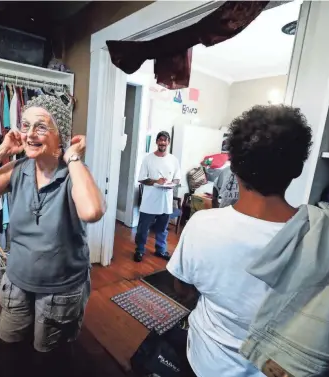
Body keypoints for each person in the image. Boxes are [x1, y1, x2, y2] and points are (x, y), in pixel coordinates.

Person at [0, 95, 105, 376]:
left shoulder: (74, 174)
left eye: (41, 126)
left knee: (48, 357)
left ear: (61, 134)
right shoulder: (18, 170)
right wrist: (2, 151)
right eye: (25, 125)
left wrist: (72, 157)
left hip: (60, 289)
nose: (30, 134)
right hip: (17, 283)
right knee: (10, 347)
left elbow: (92, 211)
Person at [167, 105, 312, 377]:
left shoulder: (202, 226)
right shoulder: (318, 236)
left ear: (233, 166)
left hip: (205, 362)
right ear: (297, 169)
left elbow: (183, 290)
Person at [134, 130, 180, 262]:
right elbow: (141, 179)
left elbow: (177, 179)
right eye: (160, 140)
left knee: (162, 228)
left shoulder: (173, 160)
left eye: (165, 140)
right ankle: (140, 250)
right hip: (149, 202)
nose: (162, 142)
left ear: (168, 142)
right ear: (156, 142)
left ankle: (161, 250)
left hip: (166, 201)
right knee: (143, 228)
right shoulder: (148, 159)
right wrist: (156, 181)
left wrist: (172, 183)